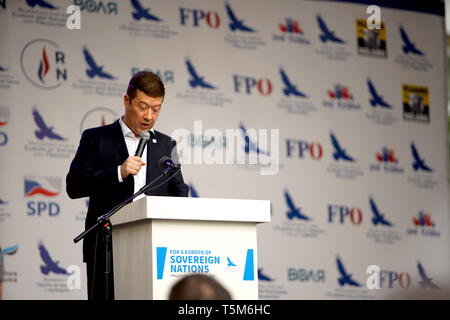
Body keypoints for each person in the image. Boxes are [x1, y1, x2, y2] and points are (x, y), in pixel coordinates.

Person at [66, 71, 189, 300]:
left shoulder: (166, 144)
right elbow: (74, 186)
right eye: (143, 107)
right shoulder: (96, 138)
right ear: (126, 101)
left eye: (156, 108)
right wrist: (118, 172)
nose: (149, 116)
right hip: (106, 247)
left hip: (155, 247)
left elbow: (179, 192)